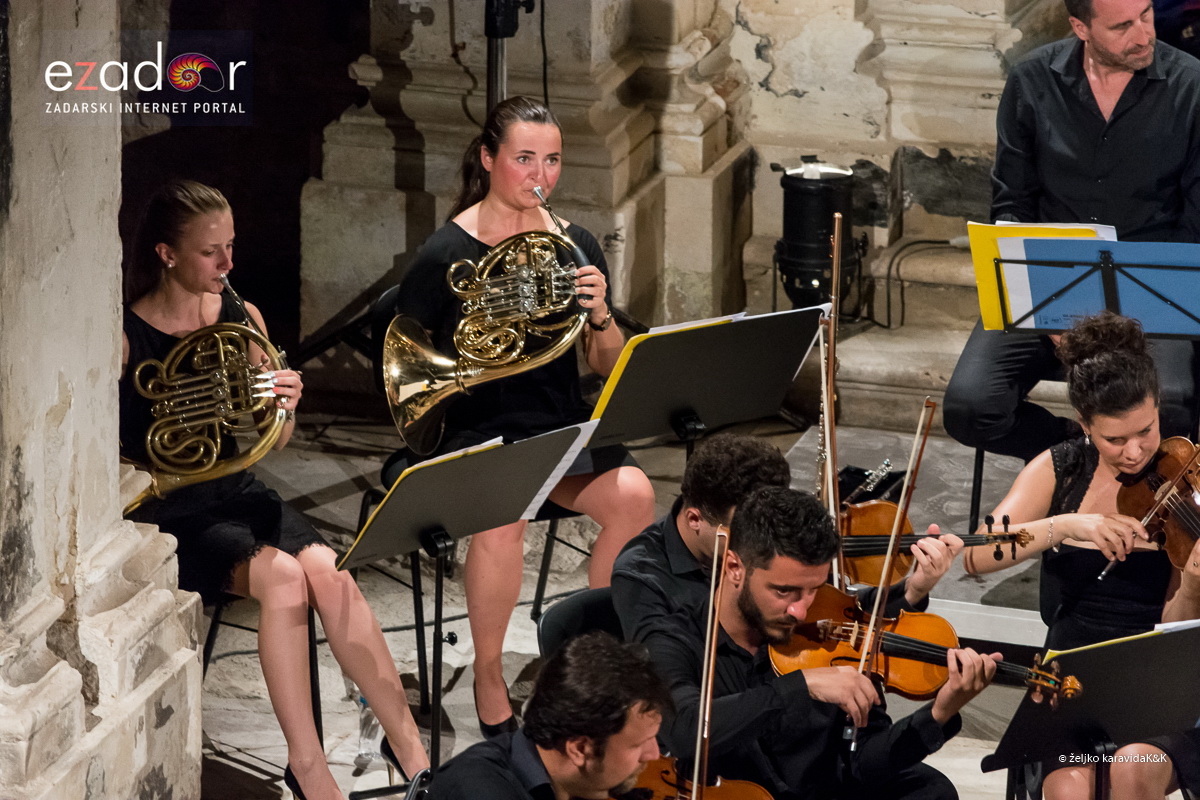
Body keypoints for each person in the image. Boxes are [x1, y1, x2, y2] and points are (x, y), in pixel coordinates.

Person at [120, 181, 429, 800]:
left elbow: (272, 440)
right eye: (212, 253)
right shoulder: (128, 338)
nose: (230, 265)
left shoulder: (244, 319)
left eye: (232, 246)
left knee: (333, 575)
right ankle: (309, 767)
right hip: (165, 506)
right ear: (166, 253)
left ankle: (413, 753)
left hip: (236, 488)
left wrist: (285, 406)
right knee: (285, 579)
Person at [391, 96, 657, 737]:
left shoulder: (573, 244)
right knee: (503, 514)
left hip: (556, 424)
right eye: (525, 158)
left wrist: (599, 315)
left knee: (635, 496)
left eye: (553, 159)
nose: (541, 174)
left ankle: (589, 662)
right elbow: (411, 357)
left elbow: (604, 363)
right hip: (477, 428)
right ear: (489, 160)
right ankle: (487, 673)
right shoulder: (445, 255)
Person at [942, 0, 1200, 463]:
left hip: (1153, 286)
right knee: (970, 407)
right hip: (1050, 283)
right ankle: (1079, 457)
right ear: (1080, 27)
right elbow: (1012, 204)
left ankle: (1152, 503)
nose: (1143, 35)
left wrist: (1132, 316)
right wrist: (1055, 313)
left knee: (1177, 401)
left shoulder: (1191, 83)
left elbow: (1196, 218)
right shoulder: (1031, 79)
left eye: (1145, 14)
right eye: (1122, 25)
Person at [959, 312, 1200, 798]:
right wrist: (1068, 525)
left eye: (1146, 431)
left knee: (1132, 769)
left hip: (1159, 675)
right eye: (1115, 439)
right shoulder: (1062, 468)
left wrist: (1193, 582)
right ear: (1085, 424)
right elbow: (976, 556)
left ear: (1156, 407)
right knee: (1070, 788)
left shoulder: (1187, 475)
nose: (1135, 453)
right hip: (1073, 677)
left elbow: (1178, 622)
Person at [641, 486, 999, 800]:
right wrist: (801, 686)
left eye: (813, 589)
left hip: (818, 791)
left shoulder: (830, 633)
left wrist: (939, 713)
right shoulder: (675, 634)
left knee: (930, 790)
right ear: (734, 566)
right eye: (784, 591)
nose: (801, 610)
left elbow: (860, 763)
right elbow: (685, 730)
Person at [611, 432, 963, 644]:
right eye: (745, 525)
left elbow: (838, 614)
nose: (761, 537)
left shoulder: (771, 538)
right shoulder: (643, 576)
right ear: (695, 519)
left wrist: (913, 589)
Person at [423, 631, 670, 800]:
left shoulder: (569, 780)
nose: (654, 754)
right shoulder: (479, 791)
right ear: (580, 749)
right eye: (638, 744)